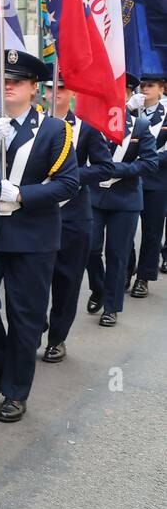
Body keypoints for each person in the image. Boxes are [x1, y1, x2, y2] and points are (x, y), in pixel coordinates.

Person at [0, 50, 78, 424]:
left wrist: (23, 195)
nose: (8, 85)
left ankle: (15, 390)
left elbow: (68, 183)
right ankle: (2, 360)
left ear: (33, 89)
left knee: (25, 316)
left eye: (17, 81)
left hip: (33, 237)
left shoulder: (55, 130)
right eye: (3, 79)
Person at [44, 75, 114, 362]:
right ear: (43, 92)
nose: (56, 93)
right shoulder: (32, 125)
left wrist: (69, 176)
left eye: (61, 88)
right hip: (37, 216)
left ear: (71, 92)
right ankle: (34, 324)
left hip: (74, 216)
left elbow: (105, 167)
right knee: (32, 280)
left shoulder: (85, 127)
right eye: (51, 88)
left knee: (67, 280)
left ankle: (57, 338)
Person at [84, 78, 159, 327]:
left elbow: (150, 162)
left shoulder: (139, 125)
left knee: (117, 254)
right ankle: (99, 288)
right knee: (90, 249)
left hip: (125, 199)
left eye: (122, 91)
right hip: (95, 196)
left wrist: (118, 170)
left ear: (128, 94)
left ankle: (112, 306)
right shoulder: (93, 123)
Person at [128, 73, 167, 298]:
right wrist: (128, 109)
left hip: (156, 179)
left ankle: (144, 276)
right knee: (125, 231)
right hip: (130, 177)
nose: (145, 89)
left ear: (161, 89)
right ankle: (126, 268)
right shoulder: (132, 111)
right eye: (142, 86)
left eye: (150, 85)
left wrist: (147, 161)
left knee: (152, 230)